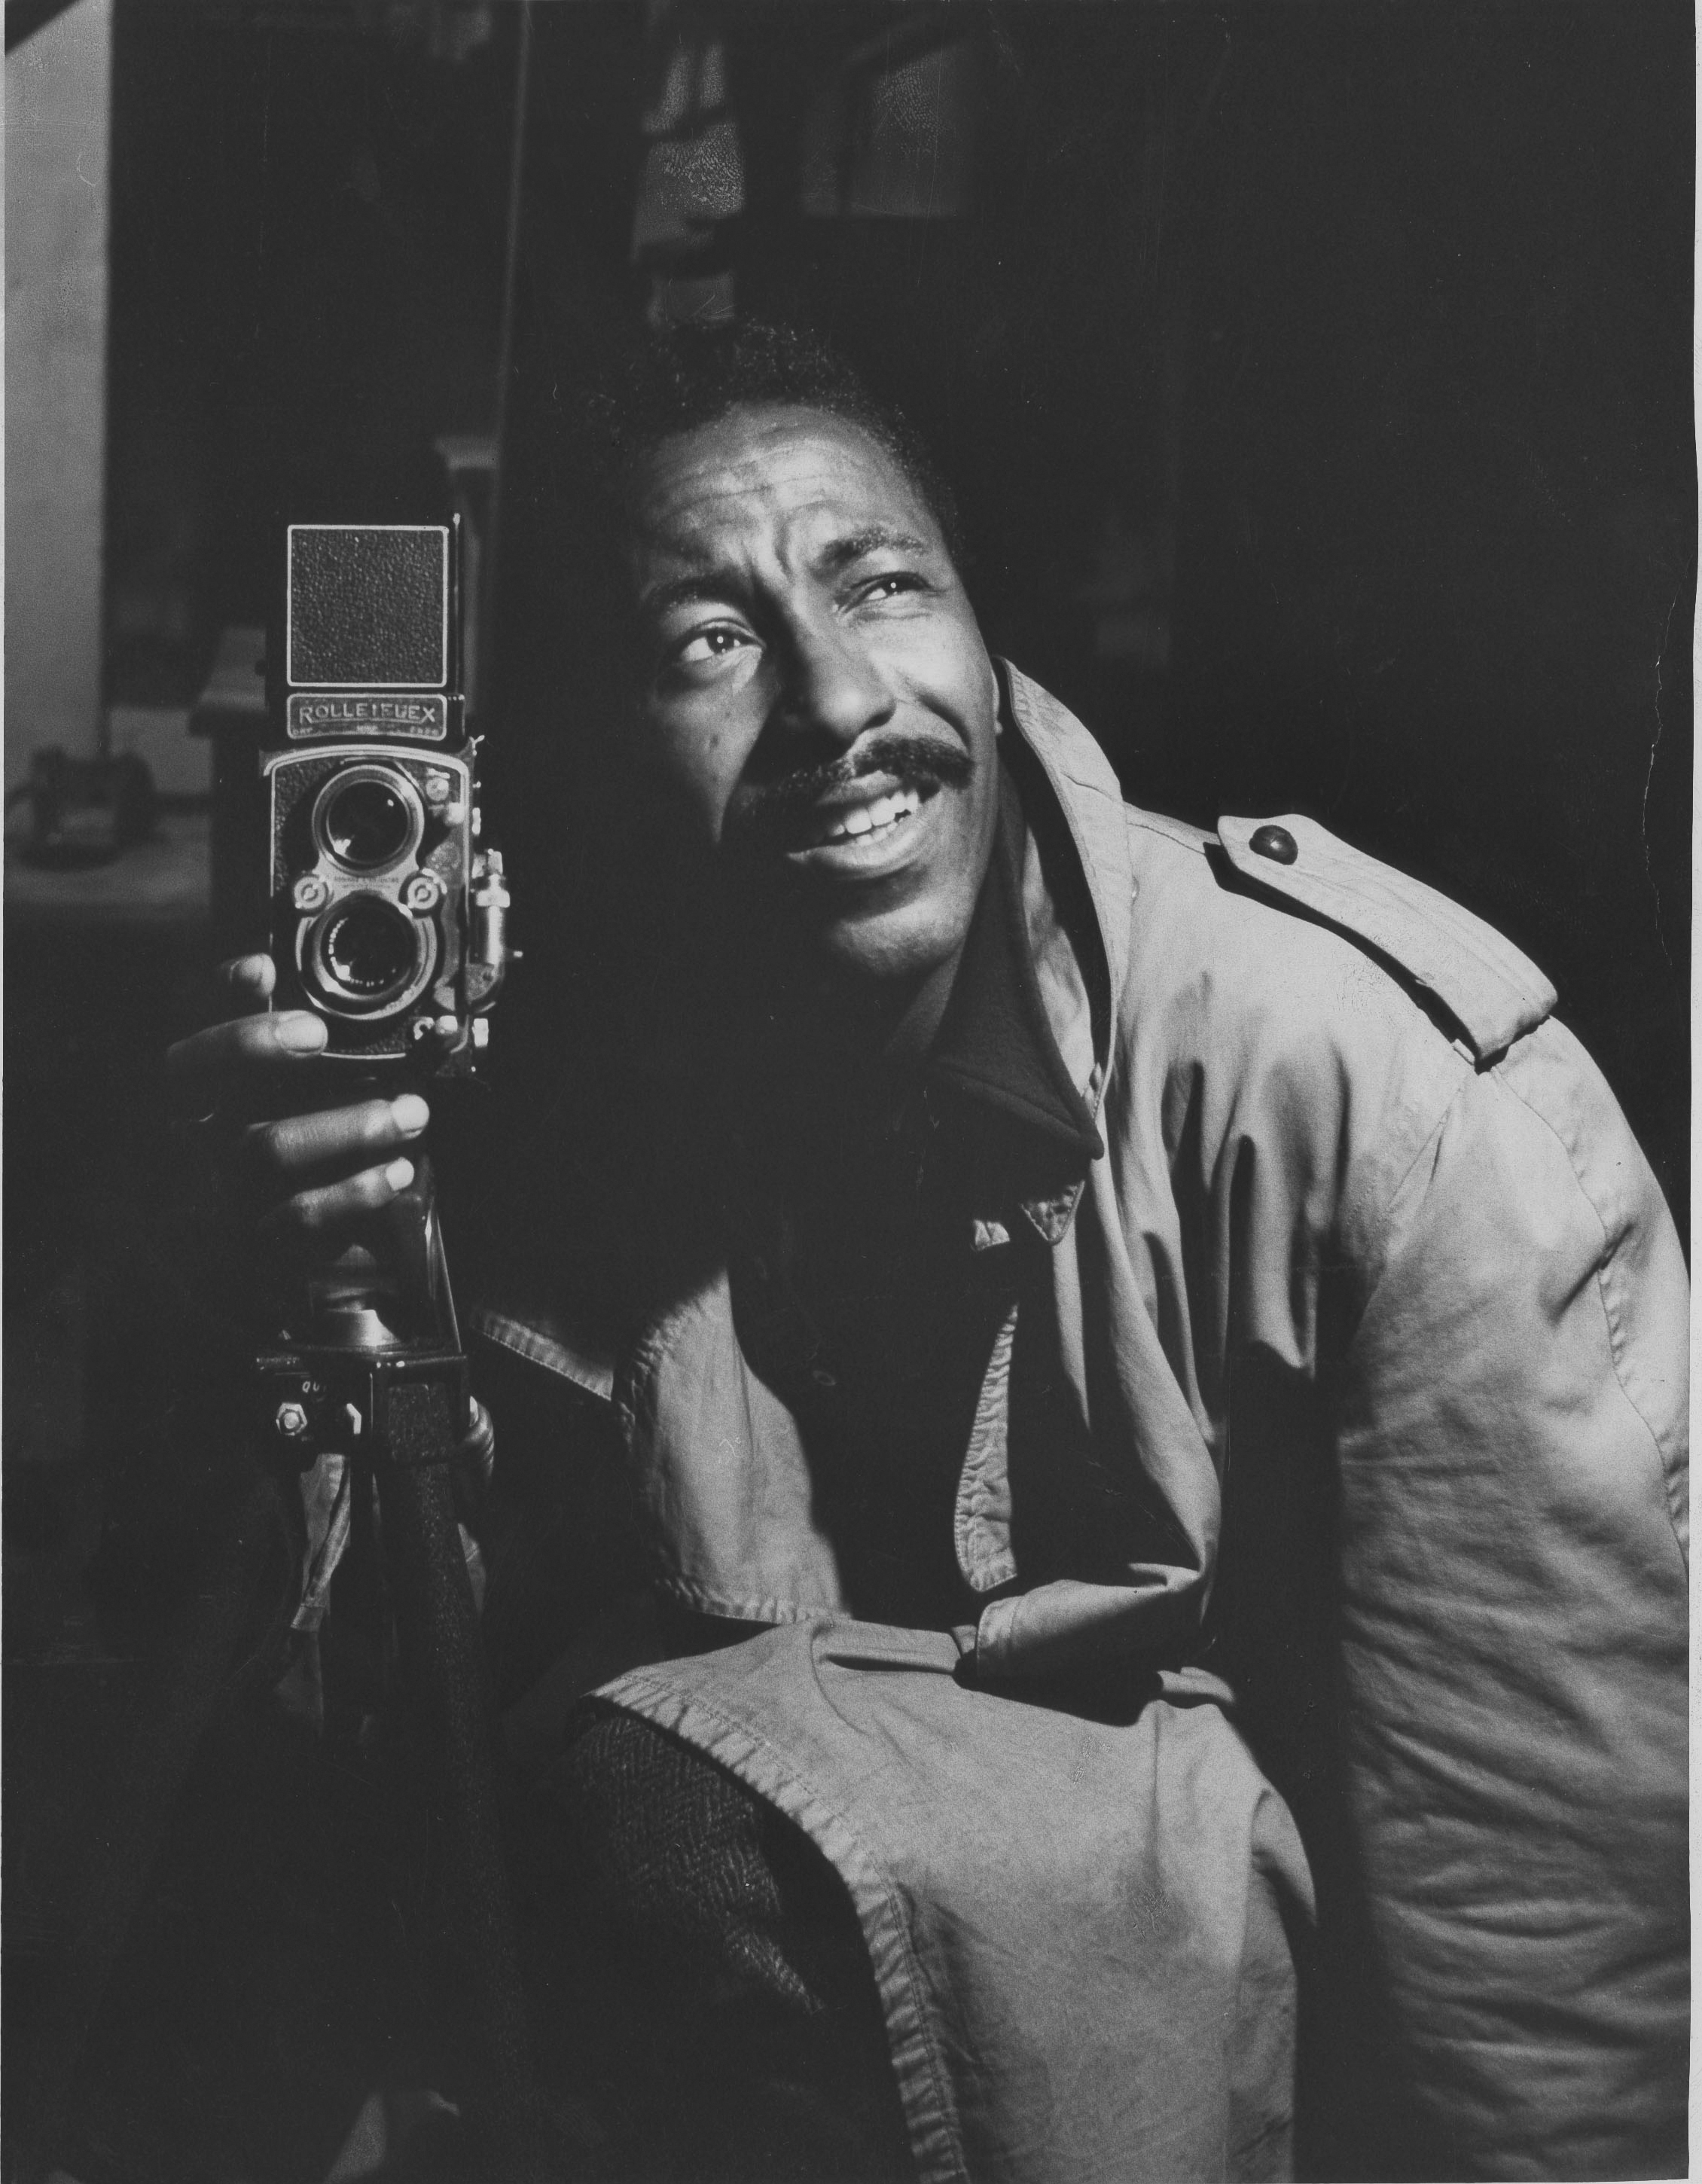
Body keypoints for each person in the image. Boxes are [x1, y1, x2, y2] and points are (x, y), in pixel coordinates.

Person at [169, 322, 1688, 2183]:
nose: (832, 700)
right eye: (705, 644)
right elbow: (430, 1750)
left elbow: (1547, 1936)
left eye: (880, 584)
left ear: (986, 640)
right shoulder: (586, 1059)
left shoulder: (1371, 1092)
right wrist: (325, 1310)